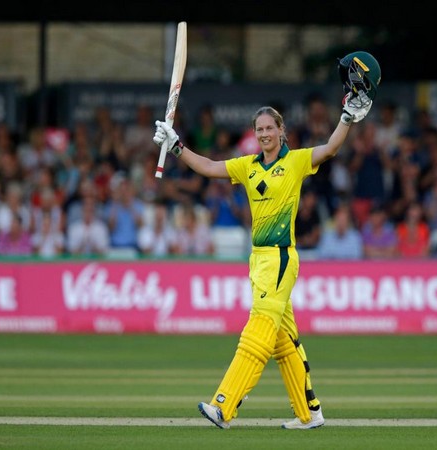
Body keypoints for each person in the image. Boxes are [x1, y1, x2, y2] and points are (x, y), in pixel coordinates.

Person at [152, 75, 374, 429]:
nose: (265, 134)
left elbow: (330, 147)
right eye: (259, 129)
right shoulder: (248, 165)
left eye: (270, 127)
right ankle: (309, 413)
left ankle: (224, 405)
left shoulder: (298, 161)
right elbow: (209, 167)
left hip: (281, 257)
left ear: (282, 130)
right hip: (258, 260)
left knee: (257, 331)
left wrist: (346, 117)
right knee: (284, 341)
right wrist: (177, 145)